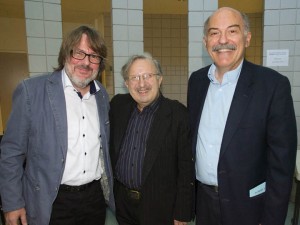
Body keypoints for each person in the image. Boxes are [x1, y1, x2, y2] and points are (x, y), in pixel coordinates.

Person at [187, 7, 297, 225]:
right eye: (214, 32)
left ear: (247, 38)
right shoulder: (197, 81)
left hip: (249, 207)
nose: (223, 40)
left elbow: (281, 165)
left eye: (232, 31)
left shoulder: (273, 86)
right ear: (205, 41)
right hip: (204, 203)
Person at [0, 25, 115, 225]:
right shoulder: (32, 91)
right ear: (65, 55)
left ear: (100, 64)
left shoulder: (102, 95)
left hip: (94, 200)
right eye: (79, 53)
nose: (86, 62)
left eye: (94, 56)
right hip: (52, 201)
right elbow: (11, 151)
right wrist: (12, 202)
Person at [109, 53, 195, 225]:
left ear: (159, 79)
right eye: (134, 78)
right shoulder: (117, 106)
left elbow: (186, 168)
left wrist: (182, 212)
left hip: (161, 207)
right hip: (123, 205)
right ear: (126, 83)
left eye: (148, 76)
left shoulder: (177, 114)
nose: (142, 84)